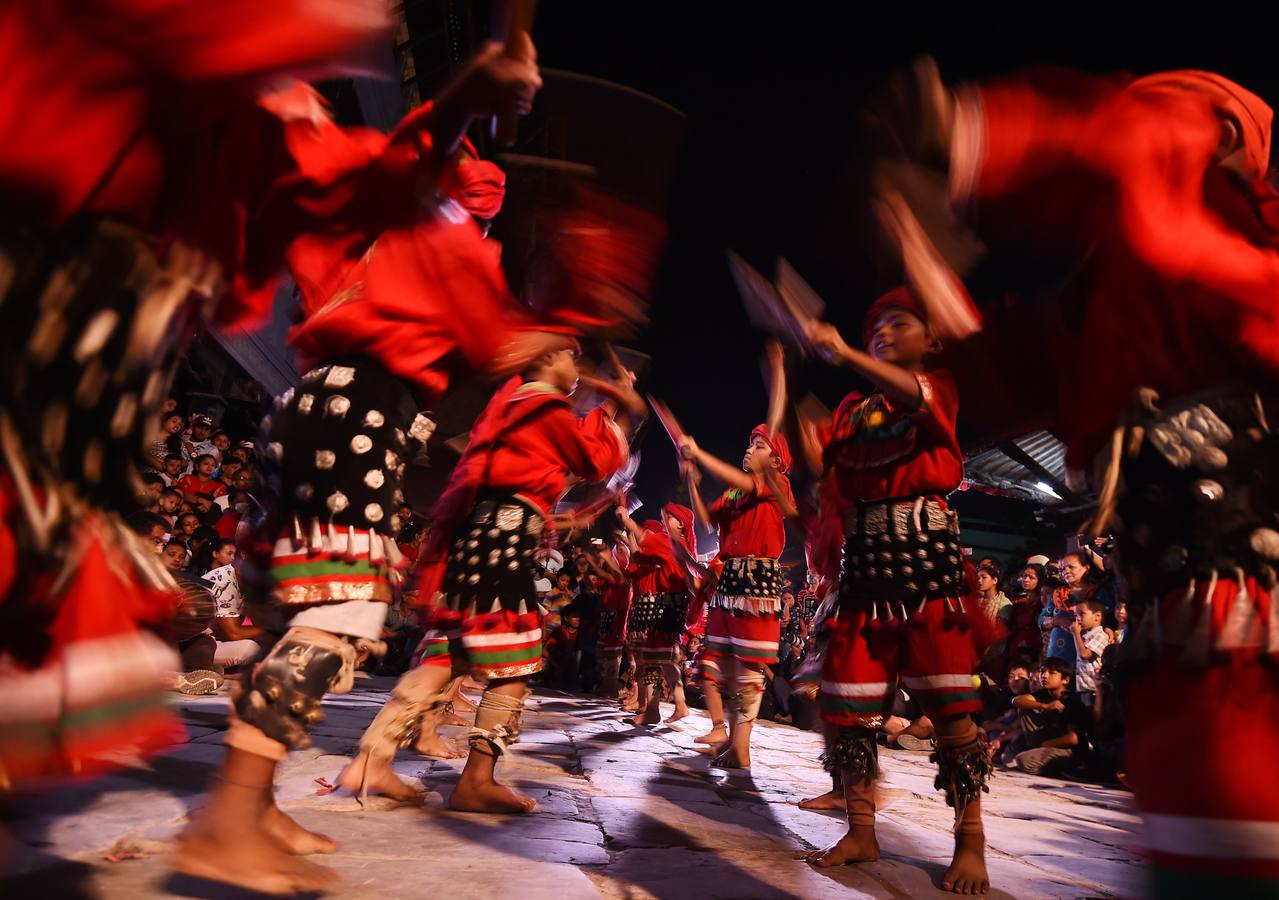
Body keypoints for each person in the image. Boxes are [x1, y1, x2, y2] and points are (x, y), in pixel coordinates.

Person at [879, 60, 1279, 893]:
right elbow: (1026, 372)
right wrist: (924, 257)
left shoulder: (1239, 227)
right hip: (1179, 614)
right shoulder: (1110, 290)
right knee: (1197, 848)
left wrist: (978, 133)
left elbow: (1116, 147)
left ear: (1231, 137)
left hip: (1252, 609)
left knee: (1237, 842)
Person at [340, 339, 641, 810]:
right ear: (544, 358)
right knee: (516, 663)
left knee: (448, 657)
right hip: (503, 544)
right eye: (568, 355)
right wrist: (618, 409)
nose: (576, 367)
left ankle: (371, 760)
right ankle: (475, 780)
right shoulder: (542, 406)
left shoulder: (517, 406)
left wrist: (609, 406)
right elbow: (594, 460)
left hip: (481, 541)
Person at [797, 288, 993, 894]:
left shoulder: (936, 387)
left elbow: (912, 395)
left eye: (899, 323)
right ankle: (861, 828)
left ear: (932, 340)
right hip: (864, 576)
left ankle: (971, 840)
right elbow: (826, 472)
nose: (883, 332)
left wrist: (845, 351)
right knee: (848, 712)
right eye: (876, 325)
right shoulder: (856, 411)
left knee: (951, 714)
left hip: (928, 575)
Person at [680, 342, 796, 769]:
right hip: (730, 584)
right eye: (748, 443)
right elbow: (706, 523)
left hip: (756, 585)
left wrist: (701, 455)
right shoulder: (737, 490)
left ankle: (742, 747)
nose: (749, 449)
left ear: (777, 460)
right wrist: (690, 479)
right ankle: (732, 738)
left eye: (758, 444)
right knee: (727, 666)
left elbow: (745, 478)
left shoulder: (773, 483)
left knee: (746, 667)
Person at [1012, 658, 1084, 776]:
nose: (1044, 676)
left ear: (1065, 680)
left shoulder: (1070, 700)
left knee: (1022, 760)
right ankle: (1037, 755)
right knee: (1025, 706)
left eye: (1051, 673)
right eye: (1042, 671)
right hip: (1048, 745)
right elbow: (1016, 701)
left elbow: (1073, 739)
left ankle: (1068, 769)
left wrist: (1044, 744)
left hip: (1069, 751)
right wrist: (1044, 706)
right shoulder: (1044, 693)